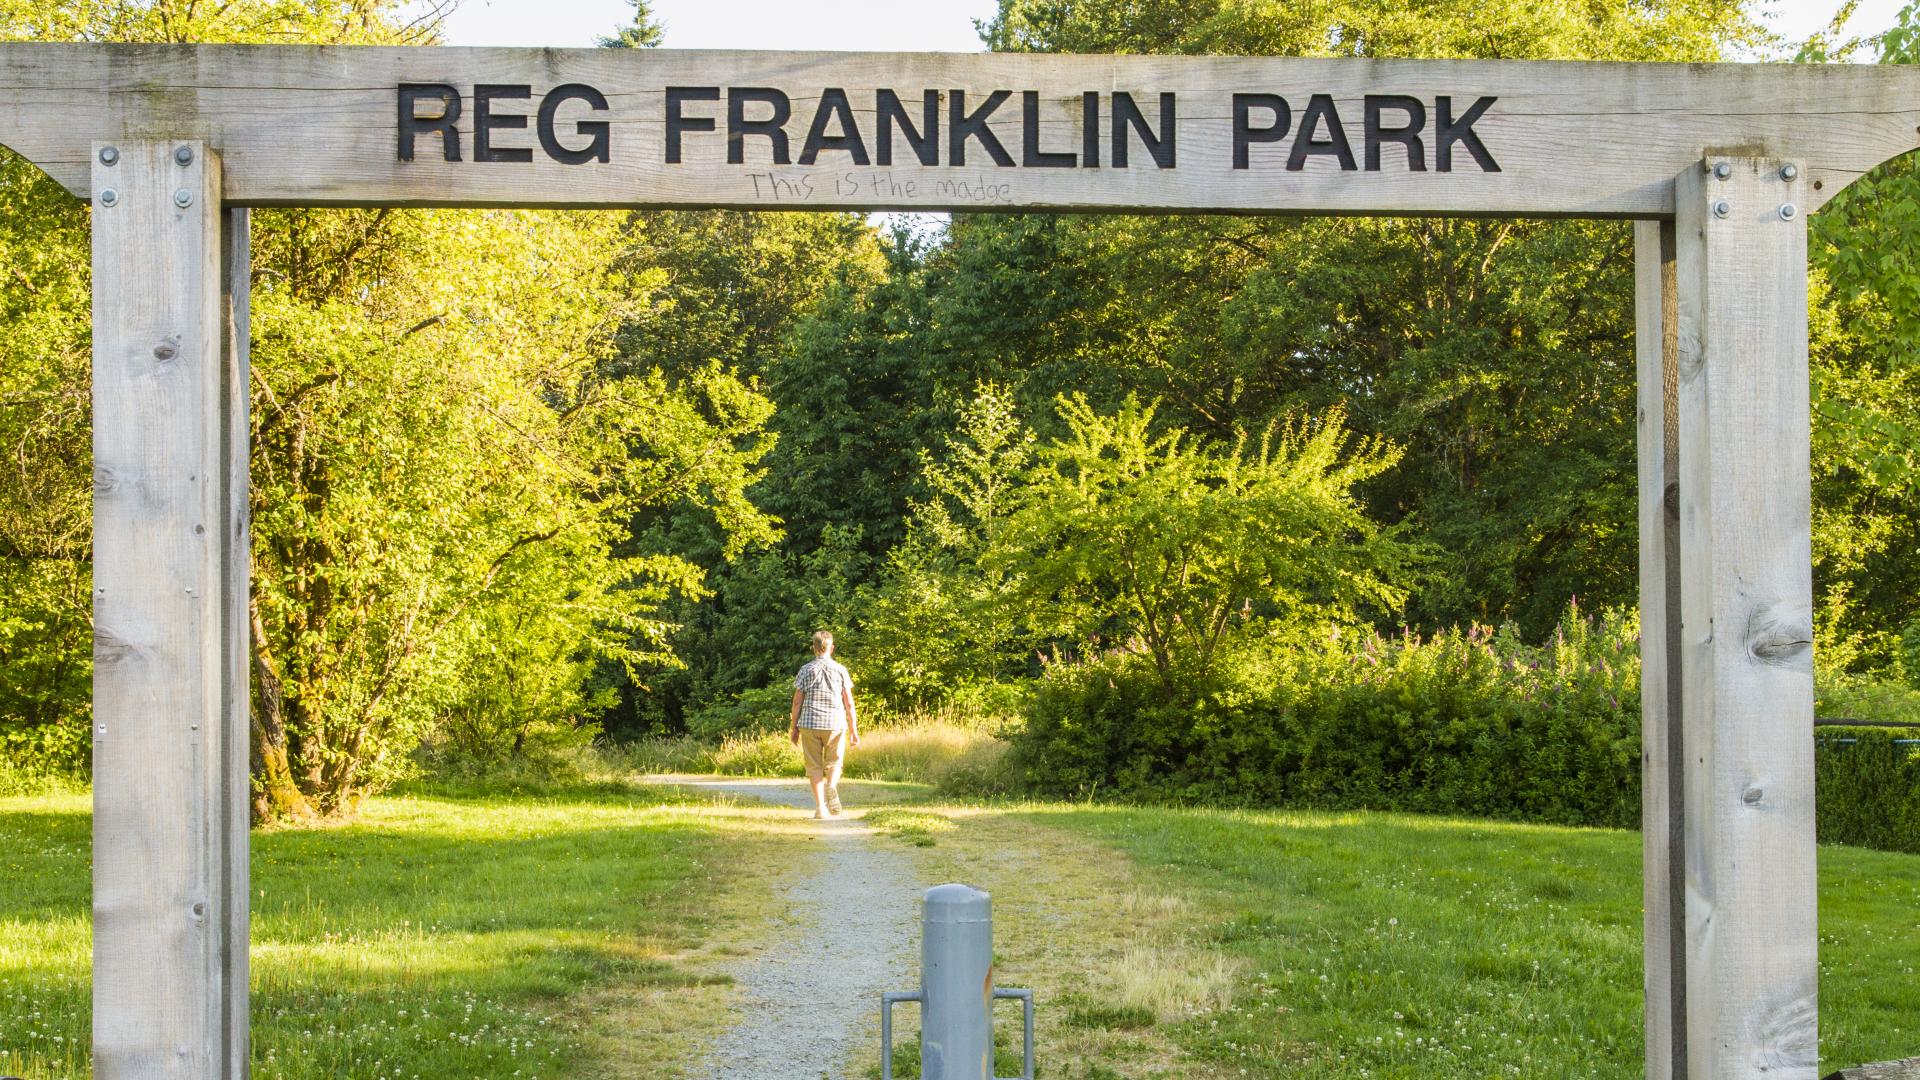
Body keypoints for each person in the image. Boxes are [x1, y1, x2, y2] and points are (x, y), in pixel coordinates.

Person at [789, 629, 859, 819]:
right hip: (835, 723)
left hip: (810, 723)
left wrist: (793, 727)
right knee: (835, 762)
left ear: (814, 648)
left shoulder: (806, 670)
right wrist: (854, 729)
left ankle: (821, 808)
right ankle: (831, 786)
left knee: (814, 766)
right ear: (832, 648)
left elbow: (797, 702)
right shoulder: (841, 670)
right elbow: (849, 702)